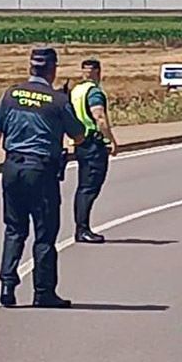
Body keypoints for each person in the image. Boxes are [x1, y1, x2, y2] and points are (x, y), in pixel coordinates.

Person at [0, 47, 86, 309]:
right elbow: (79, 135)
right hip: (41, 171)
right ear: (53, 70)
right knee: (44, 233)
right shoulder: (58, 101)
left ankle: (7, 285)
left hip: (12, 168)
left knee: (15, 229)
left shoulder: (11, 94)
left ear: (31, 68)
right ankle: (43, 292)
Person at [69, 58, 119, 244]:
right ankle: (82, 230)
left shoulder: (76, 90)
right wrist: (111, 140)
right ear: (98, 72)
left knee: (83, 187)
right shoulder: (94, 92)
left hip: (81, 142)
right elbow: (99, 116)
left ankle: (81, 228)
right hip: (94, 144)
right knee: (89, 188)